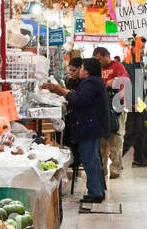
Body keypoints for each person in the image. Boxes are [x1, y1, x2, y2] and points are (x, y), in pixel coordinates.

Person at [44, 58, 109, 203]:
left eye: (81, 68)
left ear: (86, 71)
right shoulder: (93, 82)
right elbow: (82, 97)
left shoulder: (91, 83)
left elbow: (81, 101)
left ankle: (95, 192)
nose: (79, 71)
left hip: (89, 127)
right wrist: (67, 92)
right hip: (92, 126)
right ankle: (98, 190)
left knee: (90, 160)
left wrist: (63, 92)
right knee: (93, 159)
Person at [93, 47, 129, 180]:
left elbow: (124, 81)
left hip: (117, 108)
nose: (98, 62)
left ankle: (115, 169)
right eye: (96, 60)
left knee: (115, 139)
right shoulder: (96, 69)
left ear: (107, 55)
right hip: (101, 109)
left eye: (100, 59)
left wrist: (109, 83)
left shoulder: (117, 66)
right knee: (102, 141)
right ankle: (102, 169)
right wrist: (106, 83)